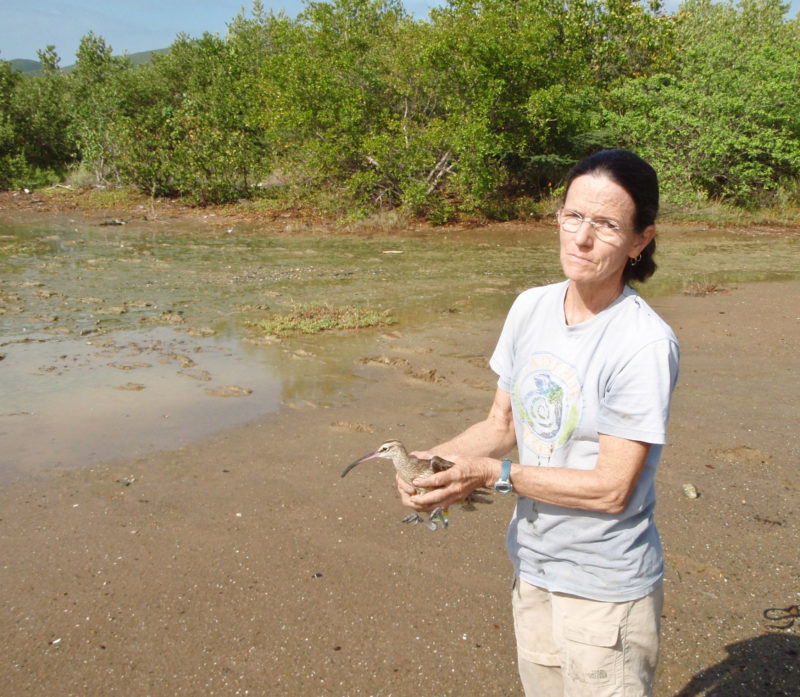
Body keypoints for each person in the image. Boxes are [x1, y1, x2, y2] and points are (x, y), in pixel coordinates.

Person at [398, 149, 680, 697]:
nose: (581, 238)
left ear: (640, 240)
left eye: (605, 224)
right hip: (533, 565)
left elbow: (612, 489)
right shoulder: (530, 307)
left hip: (604, 589)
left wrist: (490, 475)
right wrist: (428, 465)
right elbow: (502, 423)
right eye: (573, 216)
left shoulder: (642, 343)